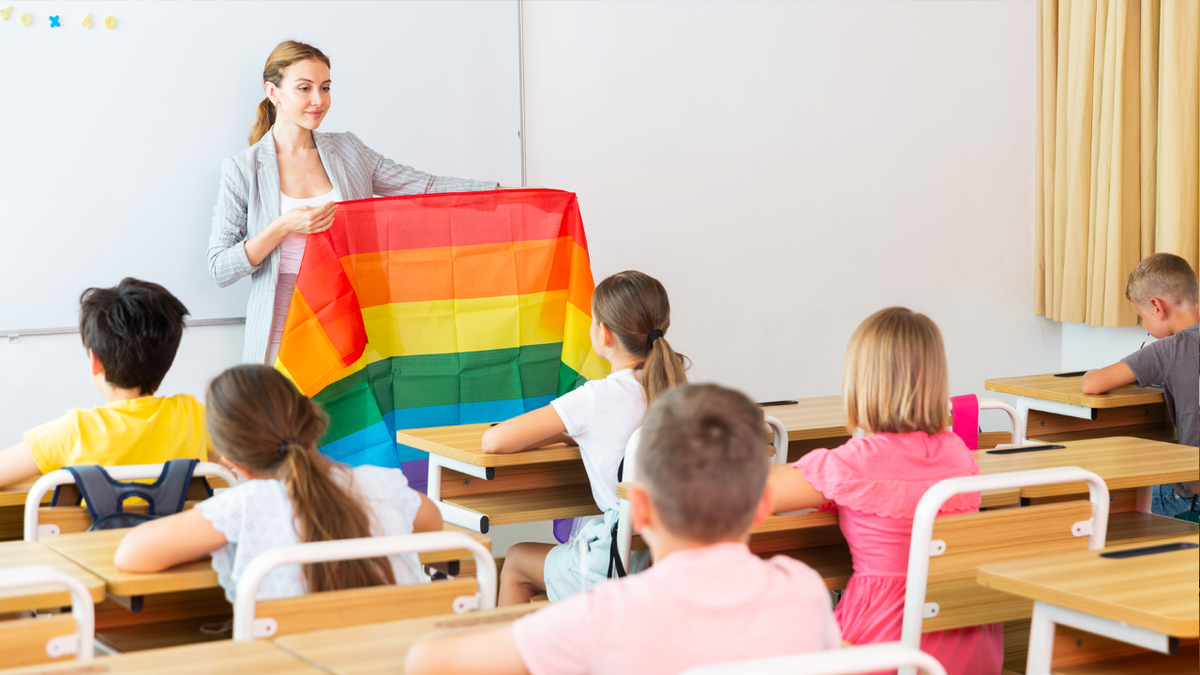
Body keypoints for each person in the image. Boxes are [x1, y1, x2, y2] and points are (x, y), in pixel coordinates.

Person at [405, 384, 841, 675]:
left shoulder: (604, 616)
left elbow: (425, 662)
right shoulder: (803, 592)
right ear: (763, 504)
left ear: (641, 510)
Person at [208, 40, 499, 365]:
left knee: (355, 399)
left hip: (349, 315)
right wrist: (283, 226)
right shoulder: (243, 168)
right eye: (304, 88)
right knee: (285, 401)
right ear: (272, 92)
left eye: (325, 87)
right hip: (282, 325)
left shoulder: (349, 150)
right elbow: (219, 268)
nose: (319, 100)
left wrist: (500, 193)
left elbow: (424, 187)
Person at [769, 307, 1003, 675]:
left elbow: (753, 494)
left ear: (860, 383)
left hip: (884, 648)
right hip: (969, 648)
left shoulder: (852, 463)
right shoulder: (959, 452)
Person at [114, 365, 442, 602]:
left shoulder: (246, 504)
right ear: (310, 419)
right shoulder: (377, 482)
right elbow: (432, 522)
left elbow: (130, 554)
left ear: (232, 462)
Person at [482, 271, 688, 605]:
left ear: (603, 333)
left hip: (616, 561)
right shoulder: (680, 391)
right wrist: (573, 436)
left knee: (517, 561)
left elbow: (494, 441)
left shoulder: (594, 397)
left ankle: (515, 642)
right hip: (665, 555)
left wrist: (563, 433)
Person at [0, 278, 210, 488]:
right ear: (168, 358)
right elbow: (223, 461)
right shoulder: (195, 416)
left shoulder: (76, 431)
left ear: (96, 361)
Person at [1081, 253, 1199, 515]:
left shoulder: (1171, 349)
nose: (1144, 325)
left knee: (1112, 493)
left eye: (1141, 317)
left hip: (1191, 497)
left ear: (1156, 307)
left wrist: (1091, 371)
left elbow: (1092, 383)